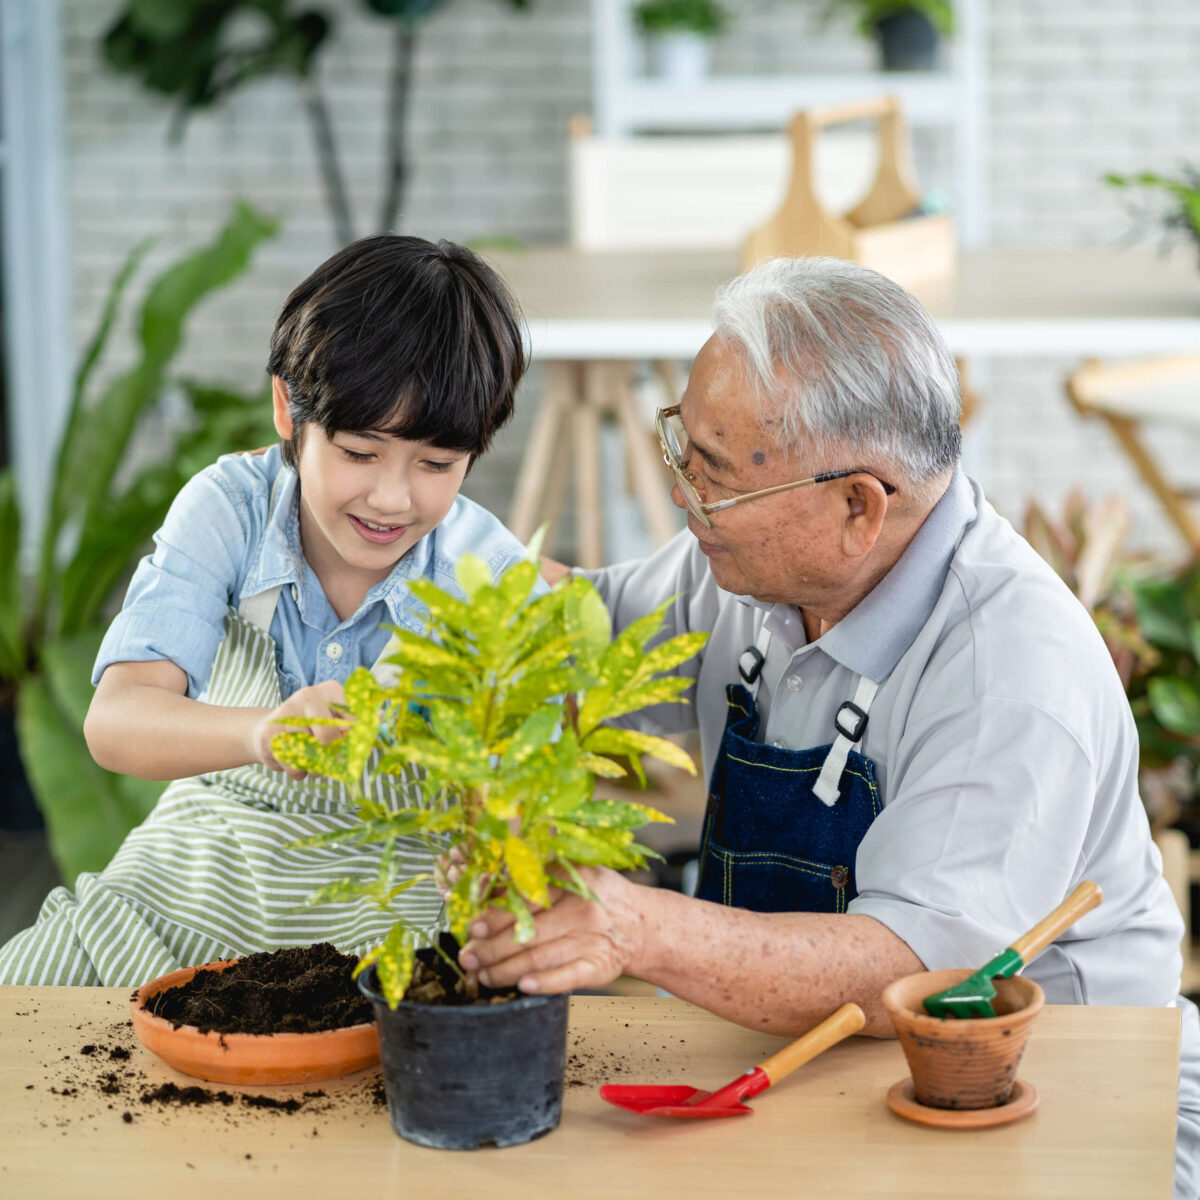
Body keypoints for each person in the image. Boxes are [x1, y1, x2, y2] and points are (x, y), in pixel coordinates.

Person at [455, 256, 1200, 1197]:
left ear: (858, 505)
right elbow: (584, 629)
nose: (683, 493)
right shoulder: (754, 570)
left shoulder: (1011, 667)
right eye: (685, 444)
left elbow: (910, 969)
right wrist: (402, 528)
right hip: (829, 1073)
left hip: (1064, 1101)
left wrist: (634, 926)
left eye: (714, 477)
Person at [0, 234, 529, 988]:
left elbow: (529, 798)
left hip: (390, 900)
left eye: (436, 465)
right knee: (27, 994)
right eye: (359, 452)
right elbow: (115, 723)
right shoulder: (229, 511)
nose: (392, 497)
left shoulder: (488, 574)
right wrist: (260, 732)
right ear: (288, 407)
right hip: (194, 879)